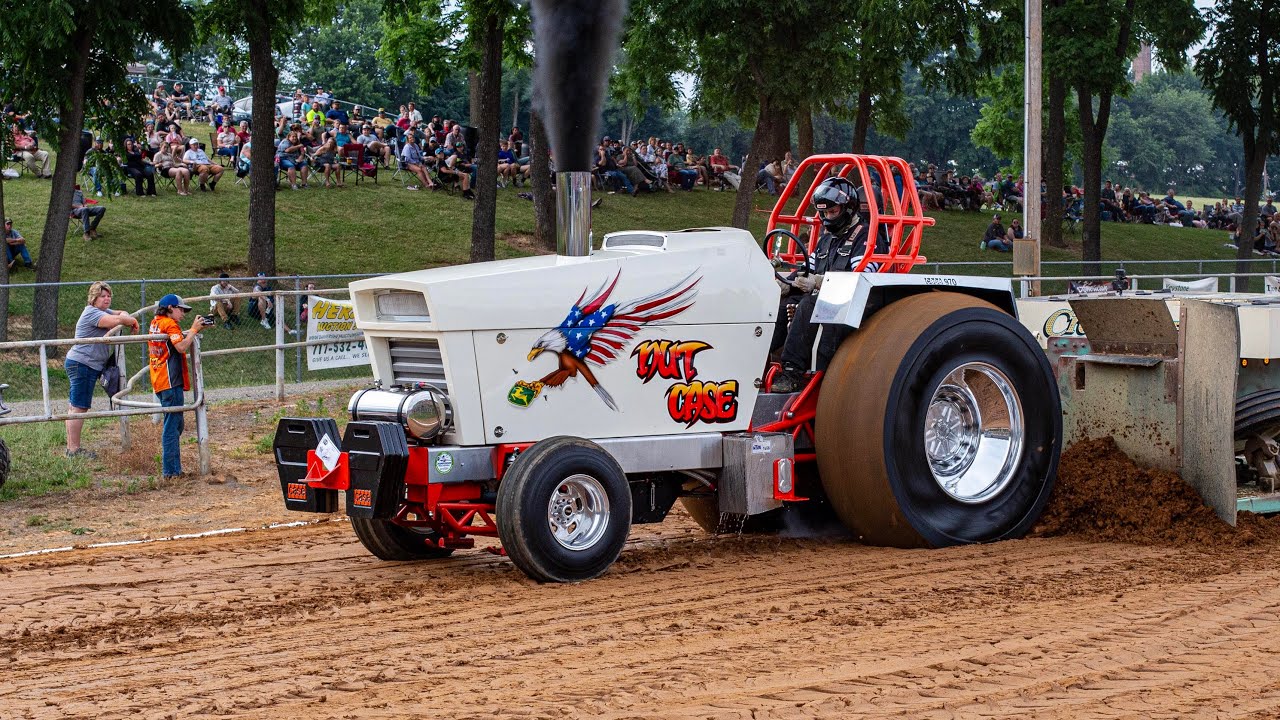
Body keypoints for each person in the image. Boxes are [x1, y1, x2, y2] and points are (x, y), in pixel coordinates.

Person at [771, 179, 888, 393]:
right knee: (782, 304)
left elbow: (860, 278)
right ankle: (757, 361)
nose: (828, 217)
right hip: (825, 297)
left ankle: (792, 372)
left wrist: (818, 282)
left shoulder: (866, 237)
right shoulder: (826, 240)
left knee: (808, 305)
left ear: (848, 208)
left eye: (832, 212)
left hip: (855, 303)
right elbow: (808, 267)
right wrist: (787, 283)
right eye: (824, 213)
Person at [65, 281, 139, 458]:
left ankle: (71, 448)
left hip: (85, 363)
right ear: (93, 298)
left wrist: (126, 317)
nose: (107, 299)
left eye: (108, 296)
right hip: (83, 363)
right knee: (79, 407)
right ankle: (73, 450)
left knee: (75, 406)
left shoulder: (102, 311)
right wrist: (131, 321)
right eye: (102, 296)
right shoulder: (92, 313)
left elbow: (121, 313)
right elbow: (119, 319)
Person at [149, 294, 211, 479]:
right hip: (170, 380)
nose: (183, 313)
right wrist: (193, 330)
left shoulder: (155, 322)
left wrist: (192, 330)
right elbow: (181, 346)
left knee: (176, 424)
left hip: (160, 380)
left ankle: (173, 469)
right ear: (170, 308)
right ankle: (171, 472)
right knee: (172, 426)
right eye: (180, 309)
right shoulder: (169, 324)